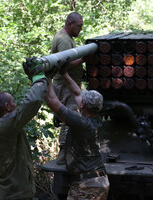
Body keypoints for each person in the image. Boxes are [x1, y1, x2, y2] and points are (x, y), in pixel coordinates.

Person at [0, 58, 54, 200]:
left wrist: (47, 78)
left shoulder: (2, 127)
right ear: (7, 107)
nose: (16, 106)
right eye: (14, 103)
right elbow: (31, 103)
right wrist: (39, 78)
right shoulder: (3, 128)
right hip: (11, 196)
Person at [45, 62, 110, 200]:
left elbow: (51, 101)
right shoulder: (96, 120)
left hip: (86, 186)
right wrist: (64, 73)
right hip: (99, 181)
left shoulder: (81, 123)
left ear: (82, 105)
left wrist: (45, 77)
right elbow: (76, 92)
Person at [51, 11, 86, 164]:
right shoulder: (64, 40)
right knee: (71, 118)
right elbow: (65, 64)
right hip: (66, 86)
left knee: (70, 117)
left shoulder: (66, 38)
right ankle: (64, 152)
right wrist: (84, 59)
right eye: (79, 26)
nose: (81, 29)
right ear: (69, 24)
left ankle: (67, 152)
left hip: (67, 85)